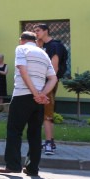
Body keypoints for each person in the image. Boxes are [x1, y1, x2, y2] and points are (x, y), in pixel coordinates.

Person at [0, 31, 57, 176]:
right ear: (35, 41)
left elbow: (23, 71)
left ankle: (13, 165)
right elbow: (53, 78)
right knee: (35, 134)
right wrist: (42, 94)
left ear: (21, 40)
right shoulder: (43, 53)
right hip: (38, 102)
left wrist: (35, 93)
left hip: (22, 95)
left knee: (14, 131)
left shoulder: (21, 49)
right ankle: (32, 168)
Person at [33, 23, 68, 155]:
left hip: (49, 83)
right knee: (45, 113)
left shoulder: (54, 46)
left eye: (38, 31)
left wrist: (46, 87)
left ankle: (48, 143)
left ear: (46, 31)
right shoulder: (45, 46)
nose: (36, 33)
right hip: (43, 82)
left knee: (47, 113)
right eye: (34, 31)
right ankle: (50, 141)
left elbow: (54, 68)